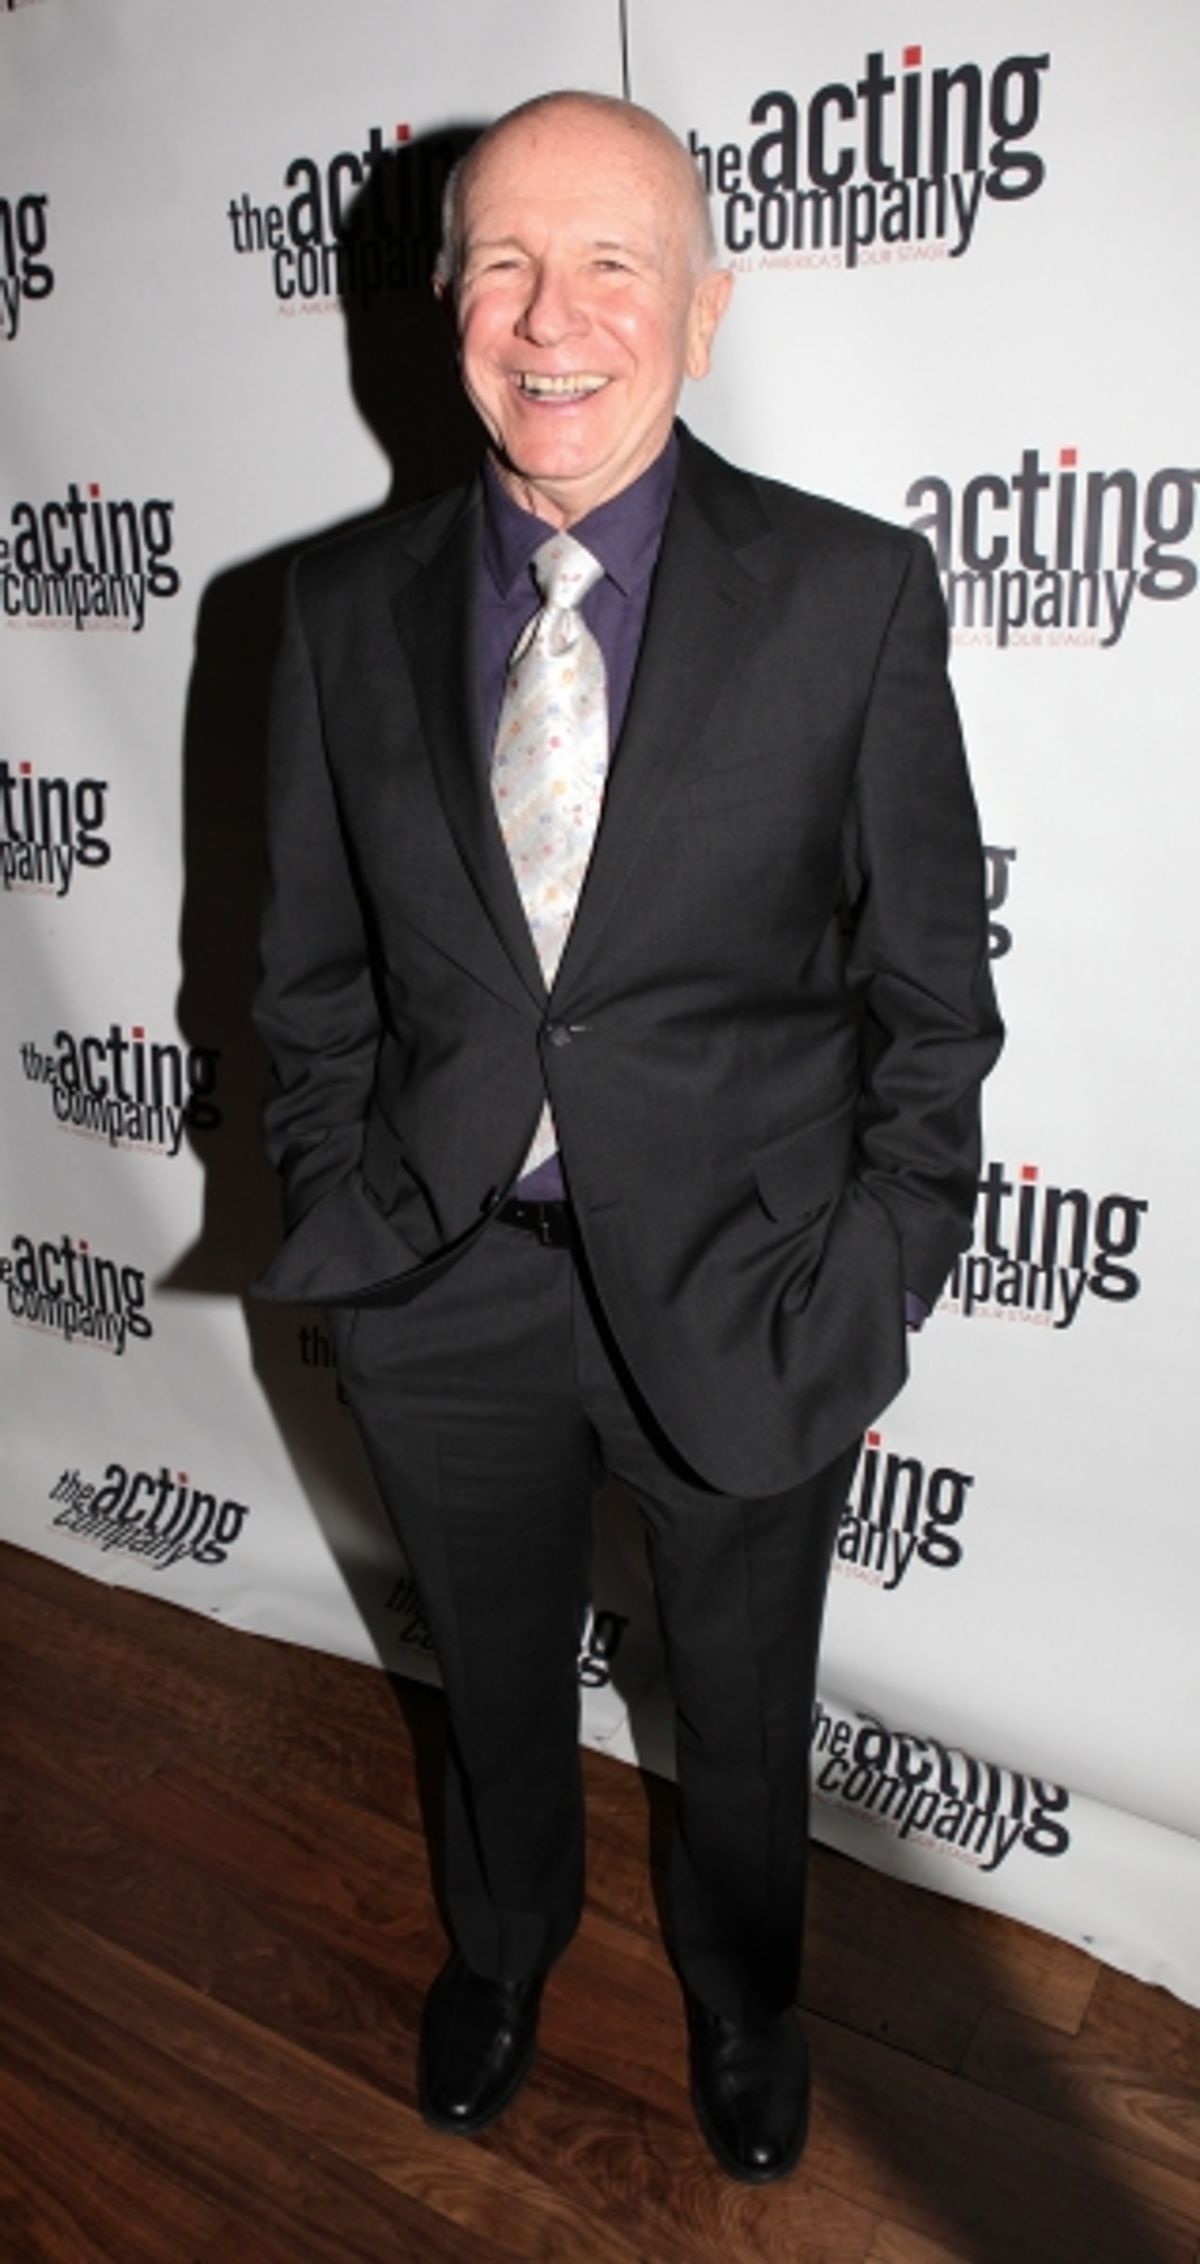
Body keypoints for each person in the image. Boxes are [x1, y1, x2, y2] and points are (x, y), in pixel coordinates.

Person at [254, 89, 1002, 2184]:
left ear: (705, 303)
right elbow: (306, 978)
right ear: (446, 302)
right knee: (488, 1679)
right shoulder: (332, 611)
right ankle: (503, 1946)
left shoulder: (850, 596)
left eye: (610, 263)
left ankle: (750, 1994)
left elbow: (933, 1008)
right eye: (502, 262)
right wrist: (356, 1219)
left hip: (753, 1289)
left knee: (744, 1707)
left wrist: (868, 1287)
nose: (550, 317)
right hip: (442, 1287)